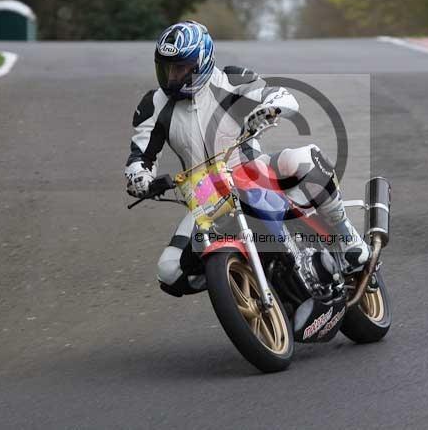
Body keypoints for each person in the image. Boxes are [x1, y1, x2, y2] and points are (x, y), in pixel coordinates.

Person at [124, 21, 370, 297]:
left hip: (251, 169)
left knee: (305, 158)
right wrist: (140, 179)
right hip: (204, 195)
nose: (173, 77)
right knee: (170, 272)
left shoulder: (231, 81)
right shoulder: (153, 105)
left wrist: (268, 110)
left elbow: (282, 95)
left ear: (201, 63)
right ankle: (238, 277)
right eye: (167, 69)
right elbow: (140, 156)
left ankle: (347, 236)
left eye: (180, 68)